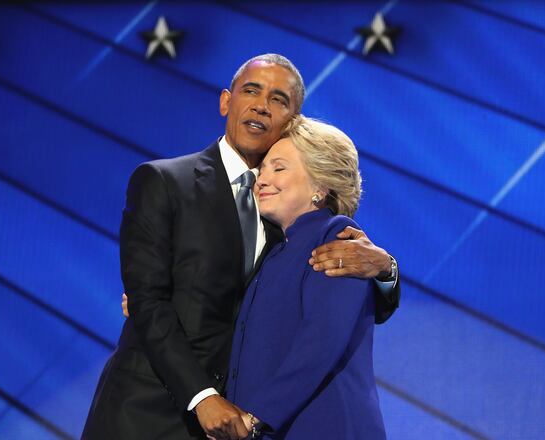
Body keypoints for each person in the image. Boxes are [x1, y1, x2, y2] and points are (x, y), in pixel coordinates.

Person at [82, 54, 399, 440]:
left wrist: (386, 269)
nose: (262, 105)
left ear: (293, 120)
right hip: (150, 413)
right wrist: (202, 396)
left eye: (279, 99)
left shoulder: (292, 216)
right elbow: (149, 302)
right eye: (251, 90)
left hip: (241, 423)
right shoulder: (164, 182)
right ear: (225, 102)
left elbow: (334, 310)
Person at [227, 116, 385, 439]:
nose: (261, 179)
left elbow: (321, 339)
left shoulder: (337, 238)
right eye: (263, 169)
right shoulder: (276, 252)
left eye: (279, 168)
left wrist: (256, 418)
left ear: (319, 187)